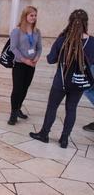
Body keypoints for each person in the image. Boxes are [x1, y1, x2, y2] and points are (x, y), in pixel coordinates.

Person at [30, 9, 94, 148]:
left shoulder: (62, 39)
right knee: (71, 109)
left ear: (70, 22)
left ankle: (44, 134)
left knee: (52, 107)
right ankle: (64, 139)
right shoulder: (92, 42)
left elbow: (51, 59)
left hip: (61, 82)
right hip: (78, 83)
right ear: (86, 23)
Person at [8, 6, 42, 125]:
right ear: (25, 16)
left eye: (35, 15)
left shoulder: (37, 31)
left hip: (31, 65)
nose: (34, 17)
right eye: (31, 15)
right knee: (17, 89)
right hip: (19, 64)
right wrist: (24, 59)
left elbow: (39, 48)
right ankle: (13, 113)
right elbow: (13, 48)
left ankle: (18, 109)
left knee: (24, 88)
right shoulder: (17, 31)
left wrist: (37, 57)